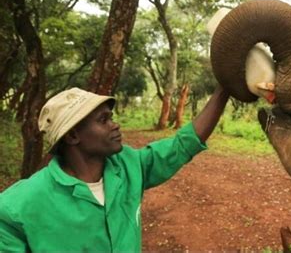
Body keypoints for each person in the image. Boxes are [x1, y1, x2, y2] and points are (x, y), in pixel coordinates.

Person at [0, 85, 230, 251]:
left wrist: (223, 90)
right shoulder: (17, 208)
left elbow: (182, 145)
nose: (115, 125)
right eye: (103, 120)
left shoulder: (129, 167)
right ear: (72, 135)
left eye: (111, 117)